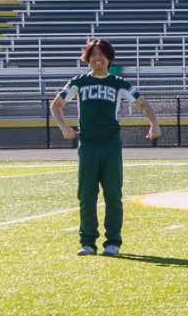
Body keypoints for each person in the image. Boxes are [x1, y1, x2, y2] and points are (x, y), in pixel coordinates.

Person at [51, 38, 161, 257]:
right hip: (88, 146)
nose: (97, 58)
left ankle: (113, 242)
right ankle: (88, 242)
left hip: (111, 146)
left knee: (113, 195)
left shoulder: (118, 83)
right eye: (93, 54)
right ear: (87, 58)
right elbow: (56, 105)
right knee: (86, 195)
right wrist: (63, 127)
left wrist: (154, 123)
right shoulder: (79, 82)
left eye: (101, 54)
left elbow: (142, 103)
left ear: (109, 58)